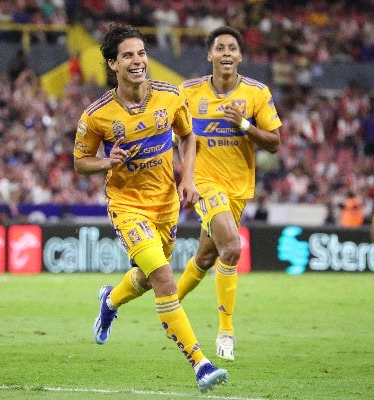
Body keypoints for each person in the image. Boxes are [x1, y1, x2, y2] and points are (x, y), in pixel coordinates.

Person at [73, 23, 228, 393]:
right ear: (113, 63)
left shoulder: (170, 96)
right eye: (128, 55)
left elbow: (189, 136)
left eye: (141, 53)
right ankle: (201, 364)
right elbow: (80, 160)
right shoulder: (97, 115)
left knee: (144, 279)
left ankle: (110, 301)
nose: (138, 60)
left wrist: (188, 178)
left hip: (166, 204)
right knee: (163, 278)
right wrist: (107, 163)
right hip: (127, 205)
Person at [177, 26, 282, 361]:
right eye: (219, 47)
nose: (225, 53)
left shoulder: (256, 93)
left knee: (206, 258)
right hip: (205, 184)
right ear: (209, 55)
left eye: (231, 48)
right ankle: (226, 331)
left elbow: (275, 143)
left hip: (238, 190)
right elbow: (177, 135)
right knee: (233, 248)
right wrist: (186, 178)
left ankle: (168, 304)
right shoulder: (188, 92)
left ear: (239, 56)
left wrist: (245, 125)